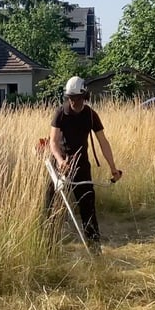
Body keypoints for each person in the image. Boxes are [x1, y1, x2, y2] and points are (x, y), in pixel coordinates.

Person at [45, 76, 122, 253]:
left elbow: (103, 142)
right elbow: (53, 142)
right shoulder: (60, 113)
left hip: (81, 166)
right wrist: (60, 160)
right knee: (52, 207)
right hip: (60, 165)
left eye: (78, 98)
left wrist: (113, 168)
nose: (74, 102)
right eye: (71, 98)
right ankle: (49, 247)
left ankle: (95, 249)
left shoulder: (90, 115)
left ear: (85, 96)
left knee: (88, 206)